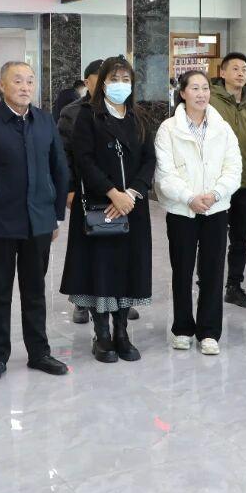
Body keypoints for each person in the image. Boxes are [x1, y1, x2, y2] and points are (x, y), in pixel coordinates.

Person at [0, 62, 70, 382]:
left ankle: (39, 353)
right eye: (17, 81)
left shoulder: (45, 120)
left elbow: (59, 168)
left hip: (39, 221)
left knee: (35, 291)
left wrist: (55, 216)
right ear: (1, 85)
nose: (24, 87)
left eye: (29, 81)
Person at [59, 56, 157, 363]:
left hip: (133, 207)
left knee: (128, 268)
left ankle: (122, 333)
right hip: (99, 205)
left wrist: (131, 193)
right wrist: (113, 194)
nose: (120, 85)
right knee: (99, 269)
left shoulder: (140, 117)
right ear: (102, 83)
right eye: (114, 79)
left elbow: (149, 160)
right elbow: (83, 160)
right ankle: (102, 335)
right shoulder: (87, 116)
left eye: (126, 80)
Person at [154, 71, 242, 355]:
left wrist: (215, 194)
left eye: (205, 88)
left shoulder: (222, 128)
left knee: (213, 271)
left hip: (216, 209)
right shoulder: (168, 129)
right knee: (181, 269)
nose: (201, 94)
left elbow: (234, 168)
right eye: (195, 88)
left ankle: (209, 332)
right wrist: (189, 198)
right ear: (183, 93)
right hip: (182, 211)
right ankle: (182, 328)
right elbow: (165, 173)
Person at [57, 58, 118, 325]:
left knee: (115, 249)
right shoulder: (72, 112)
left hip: (117, 195)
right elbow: (63, 155)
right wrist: (69, 189)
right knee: (85, 251)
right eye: (102, 77)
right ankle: (82, 301)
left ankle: (117, 298)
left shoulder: (122, 110)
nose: (108, 83)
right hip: (85, 193)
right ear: (87, 81)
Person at [209, 52, 246, 309]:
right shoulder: (210, 101)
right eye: (235, 68)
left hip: (243, 184)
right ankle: (208, 283)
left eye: (244, 68)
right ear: (222, 73)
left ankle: (234, 286)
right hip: (215, 185)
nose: (241, 73)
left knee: (240, 239)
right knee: (213, 238)